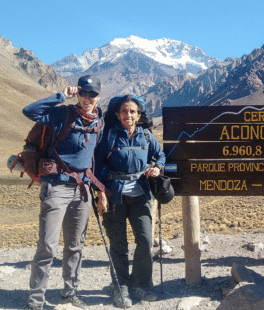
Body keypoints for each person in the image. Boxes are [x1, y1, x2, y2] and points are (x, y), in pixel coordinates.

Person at [22, 75, 105, 310]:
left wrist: (100, 191)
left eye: (93, 94)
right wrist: (61, 96)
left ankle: (69, 293)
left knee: (75, 244)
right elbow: (29, 110)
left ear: (100, 96)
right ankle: (36, 299)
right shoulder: (62, 114)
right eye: (84, 93)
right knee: (47, 245)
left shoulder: (100, 120)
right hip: (56, 186)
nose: (88, 98)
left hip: (82, 189)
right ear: (78, 93)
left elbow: (94, 157)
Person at [94, 95, 166, 308]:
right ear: (117, 114)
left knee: (144, 240)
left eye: (132, 111)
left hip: (140, 197)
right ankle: (121, 288)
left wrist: (157, 167)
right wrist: (101, 194)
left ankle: (140, 285)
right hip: (114, 197)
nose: (128, 115)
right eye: (124, 111)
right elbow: (95, 167)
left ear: (139, 115)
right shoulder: (109, 136)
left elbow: (160, 155)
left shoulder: (146, 135)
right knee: (119, 246)